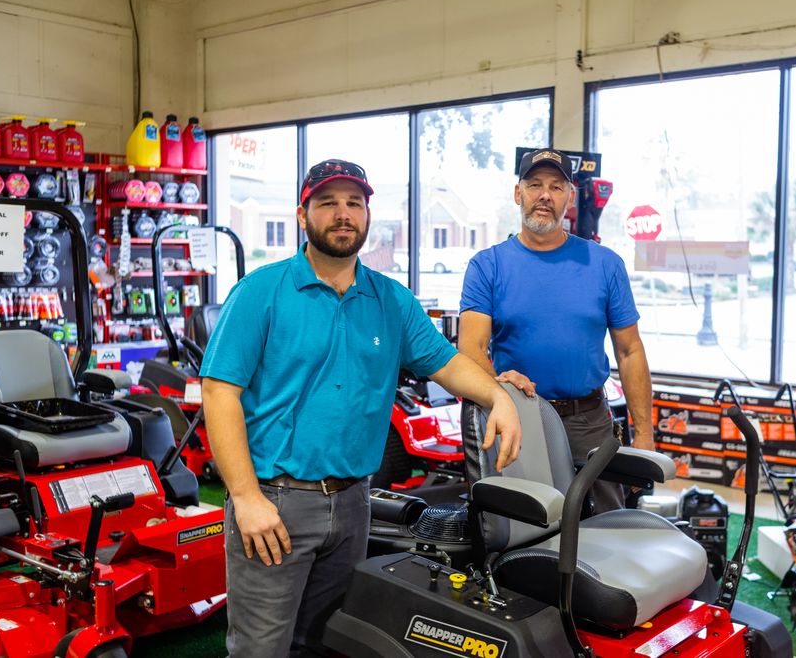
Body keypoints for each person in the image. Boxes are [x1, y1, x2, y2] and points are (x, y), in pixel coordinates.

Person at [200, 158, 522, 658]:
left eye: (354, 203)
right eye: (328, 202)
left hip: (354, 503)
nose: (343, 214)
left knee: (324, 642)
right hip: (276, 502)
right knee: (260, 650)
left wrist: (496, 394)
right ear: (302, 214)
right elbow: (219, 393)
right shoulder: (260, 292)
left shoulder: (390, 299)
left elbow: (445, 362)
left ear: (368, 215)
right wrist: (245, 497)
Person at [458, 147, 653, 513]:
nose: (545, 195)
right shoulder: (487, 266)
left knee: (606, 525)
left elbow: (630, 351)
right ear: (518, 193)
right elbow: (471, 349)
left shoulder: (606, 264)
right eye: (534, 185)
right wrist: (499, 386)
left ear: (570, 198)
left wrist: (643, 434)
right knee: (525, 524)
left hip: (589, 422)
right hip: (520, 416)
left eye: (556, 186)